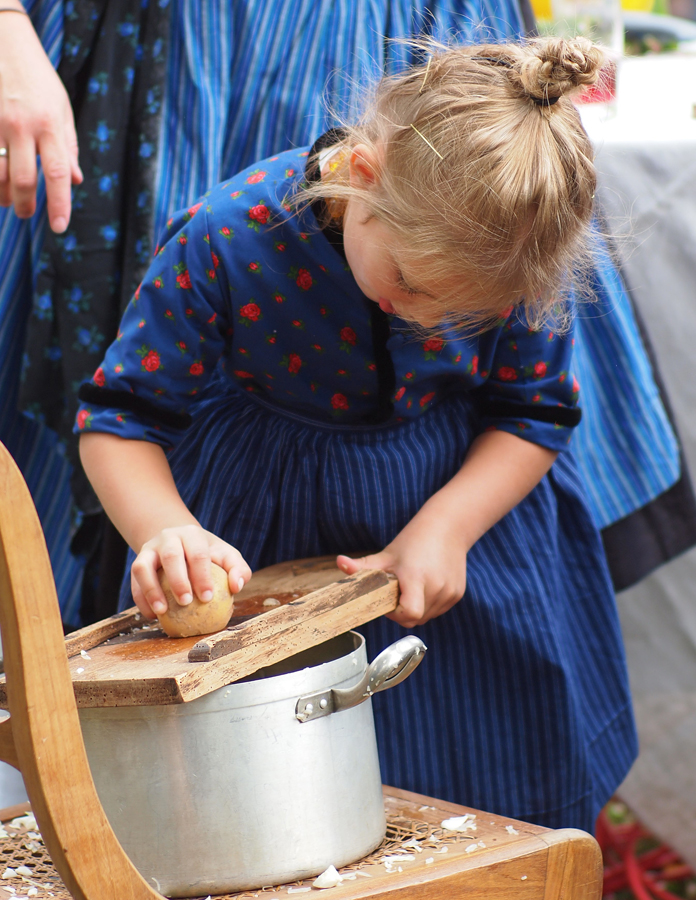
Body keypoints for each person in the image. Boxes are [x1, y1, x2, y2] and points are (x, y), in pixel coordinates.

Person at [75, 36, 638, 834]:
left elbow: (534, 413)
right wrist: (165, 531)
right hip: (260, 539)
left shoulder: (514, 251)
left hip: (458, 534)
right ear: (361, 177)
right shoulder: (228, 235)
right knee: (271, 814)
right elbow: (118, 418)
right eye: (411, 283)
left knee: (486, 803)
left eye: (465, 313)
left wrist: (444, 531)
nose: (431, 320)